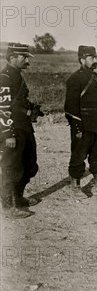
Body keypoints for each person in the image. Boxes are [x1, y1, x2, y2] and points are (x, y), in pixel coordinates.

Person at [64, 45, 97, 196]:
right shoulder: (74, 79)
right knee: (79, 153)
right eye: (91, 58)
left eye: (95, 57)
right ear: (82, 59)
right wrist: (78, 127)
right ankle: (75, 186)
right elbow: (70, 106)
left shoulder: (95, 77)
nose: (95, 61)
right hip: (83, 122)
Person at [0, 43, 42, 218]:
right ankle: (8, 206)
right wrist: (8, 133)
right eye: (23, 57)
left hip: (24, 127)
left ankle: (18, 197)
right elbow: (2, 107)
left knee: (29, 165)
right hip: (13, 129)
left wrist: (32, 108)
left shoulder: (16, 76)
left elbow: (18, 102)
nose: (27, 61)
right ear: (12, 58)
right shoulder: (5, 77)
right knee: (12, 167)